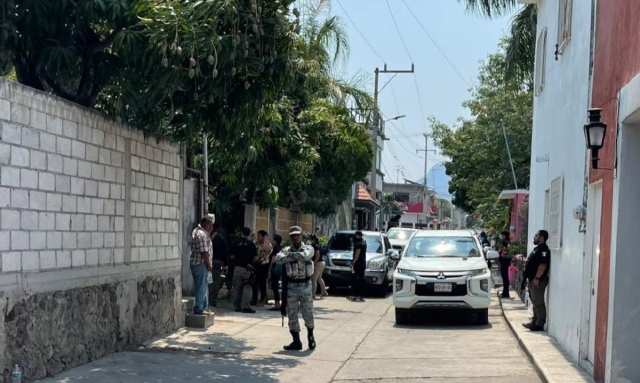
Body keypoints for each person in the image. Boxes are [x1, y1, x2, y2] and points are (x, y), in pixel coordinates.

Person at [276, 226, 316, 351]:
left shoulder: (309, 248)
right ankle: (296, 341)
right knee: (292, 314)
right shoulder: (286, 249)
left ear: (301, 235)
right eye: (292, 235)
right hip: (291, 286)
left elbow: (305, 256)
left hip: (305, 285)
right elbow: (278, 259)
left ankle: (310, 335)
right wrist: (294, 256)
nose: (295, 237)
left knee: (308, 313)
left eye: (297, 235)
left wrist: (290, 256)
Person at [523, 230, 551, 331]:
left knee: (538, 302)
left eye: (536, 235)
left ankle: (539, 324)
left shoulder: (544, 249)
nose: (534, 237)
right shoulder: (537, 249)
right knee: (534, 301)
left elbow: (543, 265)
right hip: (532, 279)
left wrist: (537, 277)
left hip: (538, 280)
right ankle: (534, 321)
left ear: (542, 237)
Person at [190, 215, 214, 315]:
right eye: (210, 225)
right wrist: (209, 264)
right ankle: (199, 308)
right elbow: (204, 252)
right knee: (201, 286)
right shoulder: (201, 234)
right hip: (200, 263)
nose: (211, 227)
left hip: (200, 263)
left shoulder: (202, 232)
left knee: (203, 286)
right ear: (206, 224)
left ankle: (203, 306)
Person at [231, 227, 257, 313]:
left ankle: (237, 306)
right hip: (247, 269)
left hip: (237, 268)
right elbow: (255, 257)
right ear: (249, 234)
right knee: (247, 287)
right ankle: (246, 306)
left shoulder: (235, 243)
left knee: (237, 288)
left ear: (241, 233)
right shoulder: (251, 245)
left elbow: (232, 256)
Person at [209, 222, 229, 307]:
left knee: (206, 280)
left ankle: (206, 298)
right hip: (217, 261)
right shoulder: (221, 238)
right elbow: (225, 251)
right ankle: (212, 299)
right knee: (215, 281)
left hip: (208, 260)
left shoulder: (207, 236)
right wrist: (225, 264)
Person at [252, 230, 273, 307]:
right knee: (254, 283)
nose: (258, 237)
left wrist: (265, 239)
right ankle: (254, 299)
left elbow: (266, 250)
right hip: (255, 265)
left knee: (262, 283)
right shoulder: (255, 244)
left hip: (264, 266)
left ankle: (262, 299)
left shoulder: (268, 245)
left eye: (260, 236)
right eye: (257, 236)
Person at [348, 231, 367, 302]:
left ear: (358, 236)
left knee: (354, 279)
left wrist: (353, 262)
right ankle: (361, 295)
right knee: (361, 280)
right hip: (362, 264)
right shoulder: (364, 242)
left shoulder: (358, 244)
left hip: (358, 264)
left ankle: (354, 295)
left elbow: (357, 254)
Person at [268, 234, 284, 311]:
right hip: (282, 269)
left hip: (275, 269)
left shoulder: (275, 249)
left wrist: (270, 269)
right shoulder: (282, 248)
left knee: (275, 286)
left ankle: (277, 304)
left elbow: (273, 259)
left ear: (275, 241)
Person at [310, 235, 328, 300]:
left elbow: (317, 256)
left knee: (313, 279)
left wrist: (313, 264)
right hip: (322, 263)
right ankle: (324, 292)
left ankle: (313, 294)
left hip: (318, 263)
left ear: (313, 239)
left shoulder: (315, 246)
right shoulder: (318, 245)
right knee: (319, 278)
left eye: (310, 239)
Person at [498, 230, 511, 298]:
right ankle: (505, 292)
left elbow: (505, 251)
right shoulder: (507, 242)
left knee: (505, 277)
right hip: (505, 261)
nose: (501, 237)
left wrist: (500, 251)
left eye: (502, 235)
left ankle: (506, 293)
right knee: (505, 277)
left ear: (505, 235)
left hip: (504, 261)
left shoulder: (505, 242)